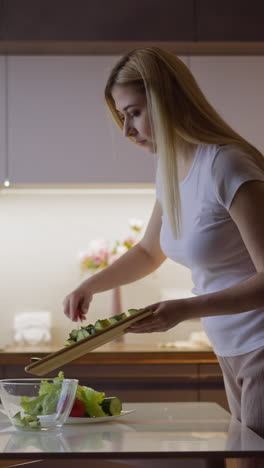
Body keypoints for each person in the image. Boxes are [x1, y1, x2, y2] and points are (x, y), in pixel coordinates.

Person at [63, 47, 264, 466]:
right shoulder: (172, 167)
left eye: (134, 113)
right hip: (230, 347)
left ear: (167, 100)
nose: (127, 130)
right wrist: (91, 284)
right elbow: (150, 250)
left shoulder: (227, 165)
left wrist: (184, 309)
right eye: (122, 116)